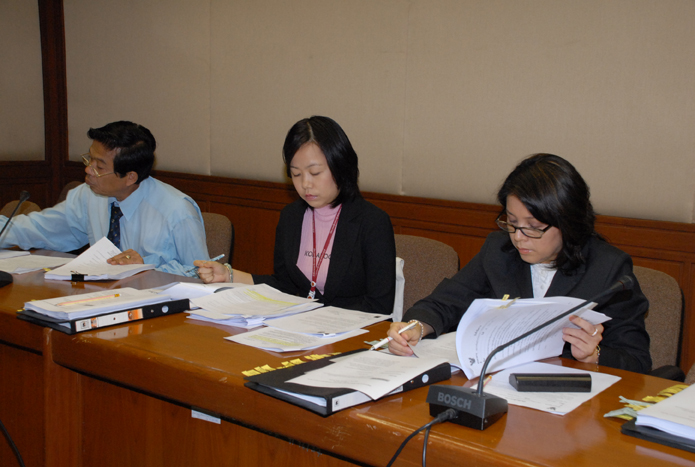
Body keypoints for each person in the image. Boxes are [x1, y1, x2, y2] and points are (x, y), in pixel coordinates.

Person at [387, 153, 651, 373]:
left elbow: (637, 361)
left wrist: (594, 355)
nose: (518, 237)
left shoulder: (608, 269)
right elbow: (445, 302)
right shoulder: (499, 251)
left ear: (568, 223)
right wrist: (416, 327)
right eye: (512, 222)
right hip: (498, 386)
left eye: (533, 227)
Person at [195, 116, 396, 314]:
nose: (305, 184)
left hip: (353, 329)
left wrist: (320, 319)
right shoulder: (291, 217)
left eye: (315, 173)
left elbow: (379, 306)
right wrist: (229, 275)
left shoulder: (372, 222)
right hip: (300, 326)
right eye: (296, 174)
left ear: (341, 167)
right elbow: (284, 285)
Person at [0, 120, 209, 276]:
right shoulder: (89, 194)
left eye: (99, 167)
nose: (88, 170)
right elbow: (41, 229)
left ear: (130, 177)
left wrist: (147, 266)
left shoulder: (177, 211)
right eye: (89, 159)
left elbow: (201, 273)